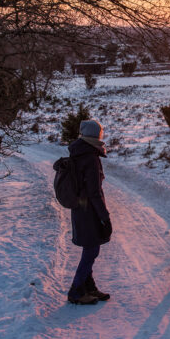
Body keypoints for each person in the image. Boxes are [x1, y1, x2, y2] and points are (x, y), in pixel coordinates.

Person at [67, 119, 113, 304]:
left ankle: (89, 286)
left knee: (90, 248)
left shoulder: (78, 152)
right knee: (91, 250)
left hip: (80, 209)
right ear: (97, 135)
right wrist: (105, 217)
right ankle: (76, 291)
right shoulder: (90, 157)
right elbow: (95, 192)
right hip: (89, 211)